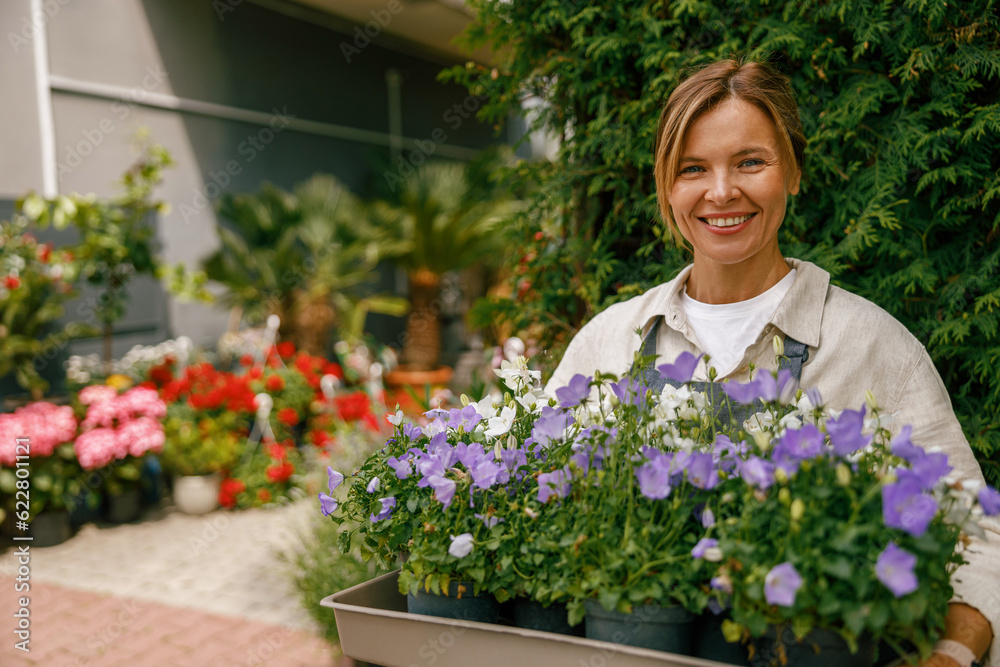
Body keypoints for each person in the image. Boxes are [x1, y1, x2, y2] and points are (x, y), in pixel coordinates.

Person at [546, 58, 997, 667]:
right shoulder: (610, 343)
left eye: (750, 162)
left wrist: (950, 655)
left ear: (792, 172)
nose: (722, 191)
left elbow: (977, 531)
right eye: (692, 169)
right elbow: (540, 505)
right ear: (667, 189)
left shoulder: (871, 344)